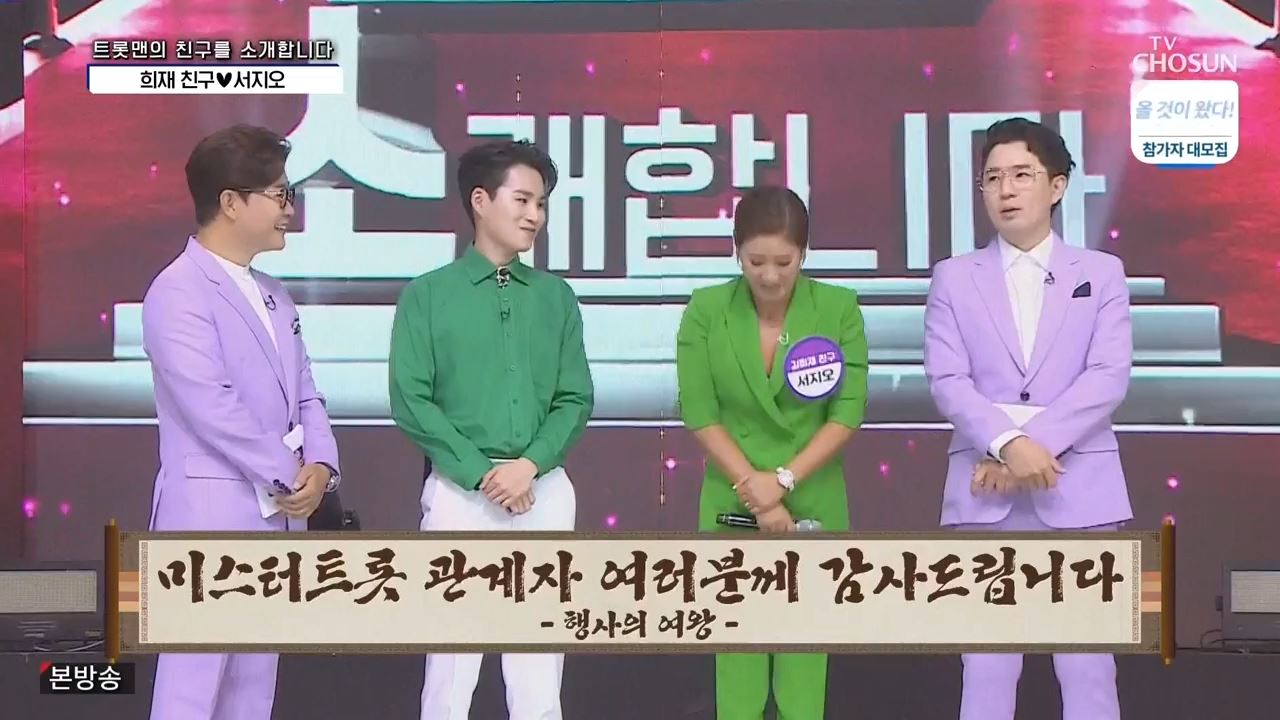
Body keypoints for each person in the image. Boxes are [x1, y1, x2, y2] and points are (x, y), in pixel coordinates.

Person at [923, 117, 1134, 720]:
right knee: (987, 668)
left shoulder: (1101, 273)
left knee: (1088, 667)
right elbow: (947, 380)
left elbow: (1107, 376)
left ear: (1057, 186)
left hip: (1080, 490)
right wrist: (1006, 444)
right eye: (993, 178)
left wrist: (1025, 447)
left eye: (1022, 175)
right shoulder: (953, 277)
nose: (1006, 190)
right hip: (984, 495)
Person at [389, 139, 594, 720]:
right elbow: (411, 400)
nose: (535, 216)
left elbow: (575, 397)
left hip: (542, 489)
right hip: (460, 493)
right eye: (522, 200)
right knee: (451, 666)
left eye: (541, 203)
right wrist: (482, 474)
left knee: (538, 666)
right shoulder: (428, 295)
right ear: (480, 201)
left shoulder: (555, 298)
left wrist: (529, 465)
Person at [143, 124, 341, 719]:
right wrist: (289, 473)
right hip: (208, 519)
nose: (289, 209)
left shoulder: (276, 294)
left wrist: (322, 466)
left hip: (275, 520)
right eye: (279, 195)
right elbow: (212, 406)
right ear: (231, 202)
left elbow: (306, 393)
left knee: (253, 689)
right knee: (192, 687)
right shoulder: (177, 291)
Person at [674, 185, 869, 720]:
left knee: (803, 669)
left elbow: (847, 413)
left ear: (804, 253)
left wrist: (782, 480)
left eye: (784, 262)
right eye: (755, 261)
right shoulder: (706, 310)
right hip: (732, 501)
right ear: (736, 251)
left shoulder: (838, 308)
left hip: (813, 500)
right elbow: (699, 412)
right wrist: (756, 492)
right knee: (738, 665)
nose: (769, 276)